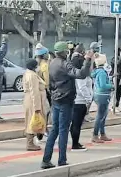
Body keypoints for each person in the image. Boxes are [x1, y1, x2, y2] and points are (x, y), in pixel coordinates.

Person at [41, 41, 93, 169]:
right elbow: (81, 74)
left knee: (55, 130)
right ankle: (62, 159)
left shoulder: (52, 63)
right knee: (63, 130)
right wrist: (87, 60)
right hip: (66, 100)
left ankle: (46, 159)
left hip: (56, 99)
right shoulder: (65, 64)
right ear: (65, 52)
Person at [21, 59, 49, 151]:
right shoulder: (32, 75)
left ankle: (31, 142)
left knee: (31, 121)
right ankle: (29, 143)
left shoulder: (29, 73)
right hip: (33, 101)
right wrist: (37, 107)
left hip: (31, 100)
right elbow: (34, 92)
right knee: (32, 121)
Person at [70, 44, 90, 151]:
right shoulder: (81, 75)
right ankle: (75, 144)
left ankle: (75, 143)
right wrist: (88, 99)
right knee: (76, 124)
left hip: (75, 100)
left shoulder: (73, 72)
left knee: (75, 123)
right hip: (80, 101)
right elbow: (83, 88)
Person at [91, 54, 113, 143]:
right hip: (102, 95)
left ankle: (102, 134)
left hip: (99, 95)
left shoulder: (98, 71)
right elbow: (103, 85)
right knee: (100, 116)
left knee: (103, 116)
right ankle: (95, 135)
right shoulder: (102, 73)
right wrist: (111, 85)